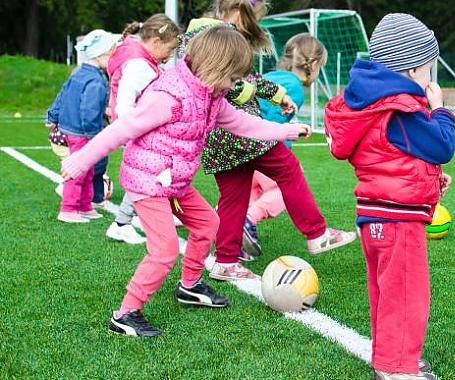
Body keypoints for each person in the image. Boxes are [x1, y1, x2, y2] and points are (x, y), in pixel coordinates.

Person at [60, 26, 310, 337]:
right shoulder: (168, 96)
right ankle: (125, 314)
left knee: (208, 224)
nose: (237, 85)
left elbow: (242, 124)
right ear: (216, 67)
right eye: (234, 78)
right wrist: (80, 161)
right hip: (148, 181)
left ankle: (189, 286)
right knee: (164, 250)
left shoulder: (211, 95)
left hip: (174, 181)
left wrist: (285, 130)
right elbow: (121, 129)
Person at [182, 0, 356, 282]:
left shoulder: (196, 36)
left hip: (215, 135)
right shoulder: (221, 36)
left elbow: (244, 78)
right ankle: (317, 233)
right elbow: (234, 82)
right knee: (287, 168)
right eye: (252, 20)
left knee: (234, 197)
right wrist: (254, 95)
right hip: (240, 130)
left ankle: (226, 261)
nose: (251, 29)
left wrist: (277, 95)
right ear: (238, 12)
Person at [324, 13, 455, 380]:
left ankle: (391, 357)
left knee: (386, 294)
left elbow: (394, 157)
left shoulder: (372, 105)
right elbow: (441, 145)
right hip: (398, 220)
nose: (431, 78)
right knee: (406, 296)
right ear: (412, 71)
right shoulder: (400, 110)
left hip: (375, 215)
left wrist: (431, 181)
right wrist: (441, 110)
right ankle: (397, 369)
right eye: (429, 69)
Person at [240, 33, 328, 260]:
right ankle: (248, 219)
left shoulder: (270, 76)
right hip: (263, 148)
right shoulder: (295, 88)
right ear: (314, 64)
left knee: (251, 191)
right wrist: (289, 131)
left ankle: (232, 235)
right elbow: (271, 119)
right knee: (284, 189)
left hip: (241, 144)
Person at [104, 14, 182, 245]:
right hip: (138, 130)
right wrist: (135, 130)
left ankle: (138, 217)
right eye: (169, 49)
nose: (169, 57)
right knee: (147, 175)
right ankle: (121, 223)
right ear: (156, 42)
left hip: (139, 128)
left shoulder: (142, 59)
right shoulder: (140, 65)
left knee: (154, 173)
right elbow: (125, 103)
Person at [46, 29, 120, 223]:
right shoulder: (96, 80)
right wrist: (95, 134)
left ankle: (85, 206)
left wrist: (52, 115)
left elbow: (61, 94)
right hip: (84, 133)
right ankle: (69, 209)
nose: (113, 58)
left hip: (73, 129)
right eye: (112, 54)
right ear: (101, 55)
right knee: (80, 170)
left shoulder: (78, 73)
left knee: (88, 170)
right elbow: (90, 110)